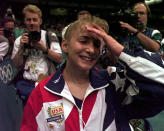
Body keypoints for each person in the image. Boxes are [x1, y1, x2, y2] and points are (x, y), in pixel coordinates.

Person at [20, 16, 164, 131]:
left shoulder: (113, 83)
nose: (91, 49)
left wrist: (121, 51)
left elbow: (160, 84)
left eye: (97, 44)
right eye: (84, 41)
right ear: (65, 45)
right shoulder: (42, 92)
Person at [11, 4, 62, 104]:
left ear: (40, 21)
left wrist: (44, 49)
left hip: (46, 84)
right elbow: (16, 65)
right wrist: (21, 47)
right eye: (28, 20)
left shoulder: (49, 36)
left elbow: (59, 59)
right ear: (25, 21)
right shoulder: (19, 40)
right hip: (26, 85)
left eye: (34, 19)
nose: (32, 23)